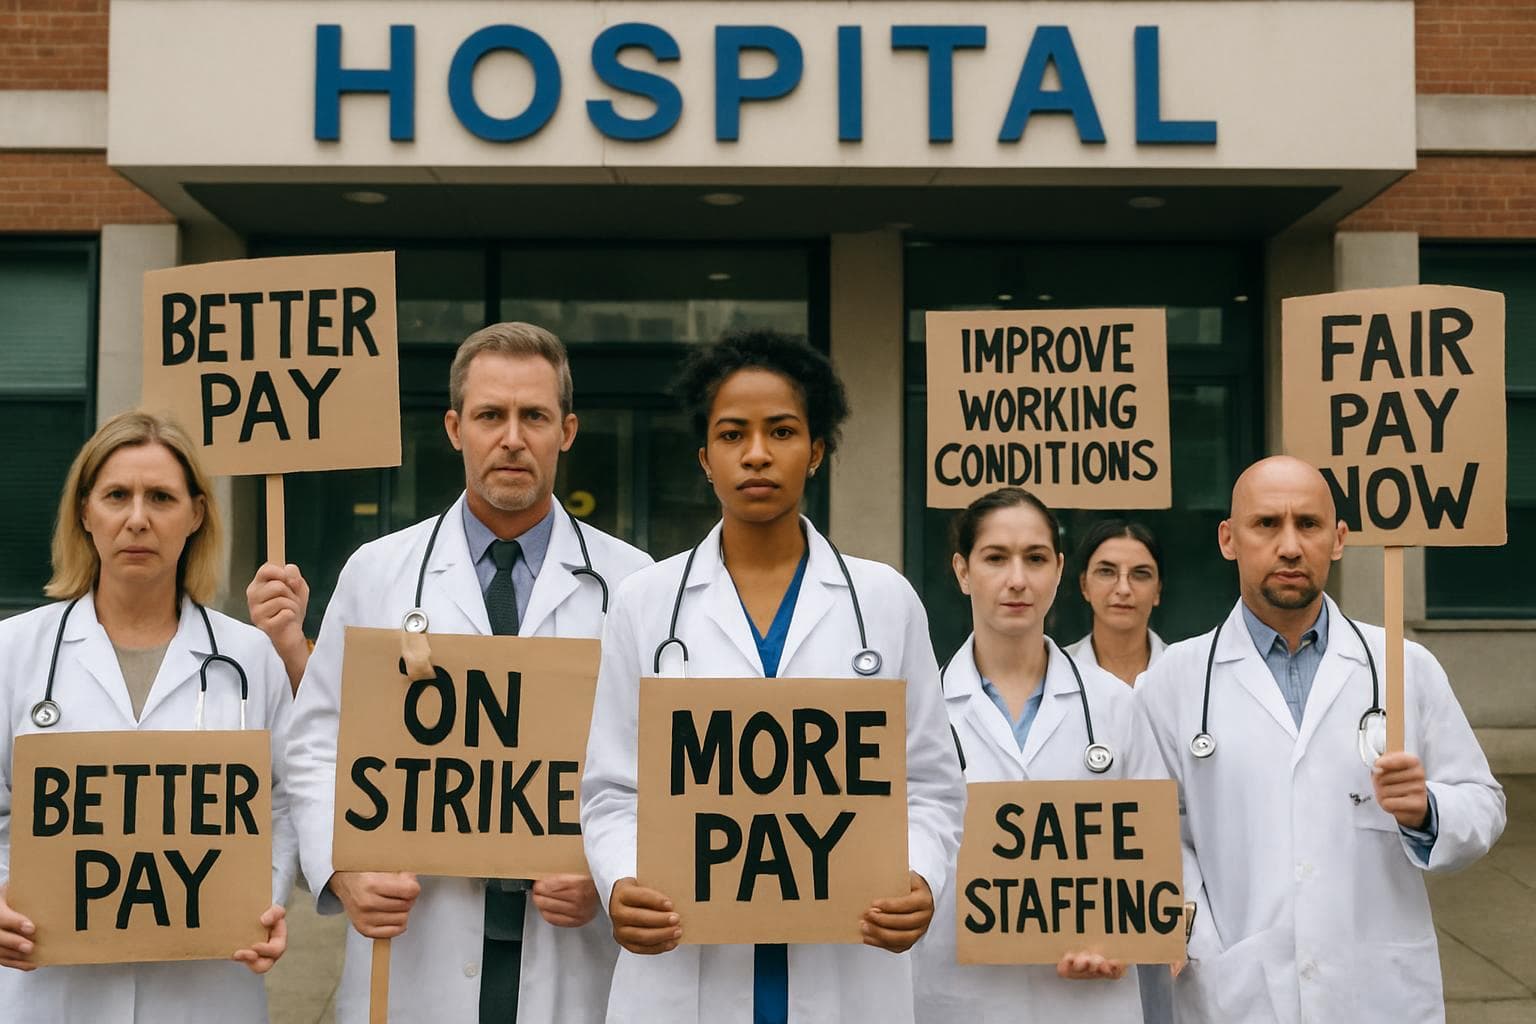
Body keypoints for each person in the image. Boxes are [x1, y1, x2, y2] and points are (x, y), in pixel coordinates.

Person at [581, 329, 965, 1024]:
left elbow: (931, 785)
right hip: (686, 969)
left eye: (781, 431)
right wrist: (620, 882)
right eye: (733, 435)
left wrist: (922, 880)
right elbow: (612, 790)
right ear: (705, 458)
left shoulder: (884, 602)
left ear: (816, 451)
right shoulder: (646, 603)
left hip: (847, 966)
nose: (756, 453)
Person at [284, 323, 653, 1024]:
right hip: (421, 939)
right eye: (490, 415)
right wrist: (343, 868)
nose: (512, 437)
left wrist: (611, 877)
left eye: (534, 416)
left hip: (573, 948)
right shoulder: (377, 572)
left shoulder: (636, 585)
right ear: (455, 428)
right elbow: (315, 744)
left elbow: (663, 765)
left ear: (566, 431)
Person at [1135, 455, 1506, 1024]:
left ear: (1338, 539)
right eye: (1266, 524)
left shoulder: (1405, 667)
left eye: (1308, 525)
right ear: (1228, 539)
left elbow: (1482, 801)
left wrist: (1426, 811)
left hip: (1377, 992)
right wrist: (1203, 944)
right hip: (1237, 990)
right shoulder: (1171, 681)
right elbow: (1156, 836)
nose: (1289, 546)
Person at [0, 410, 296, 1023]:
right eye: (117, 496)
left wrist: (259, 898)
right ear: (86, 513)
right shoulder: (13, 652)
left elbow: (286, 801)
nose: (137, 518)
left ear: (195, 515)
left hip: (207, 986)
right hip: (53, 989)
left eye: (161, 497)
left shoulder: (248, 657)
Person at [912, 487, 1168, 1023]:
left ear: (1057, 570)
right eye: (995, 558)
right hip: (958, 999)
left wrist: (1123, 941)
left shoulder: (1117, 706)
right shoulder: (920, 710)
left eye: (1034, 558)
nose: (1016, 580)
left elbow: (1155, 861)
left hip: (1088, 1001)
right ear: (963, 571)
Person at [1066, 519, 1167, 687]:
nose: (1123, 589)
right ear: (1084, 585)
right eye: (1106, 572)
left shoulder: (1185, 672)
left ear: (1157, 590)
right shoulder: (1055, 670)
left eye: (1141, 574)